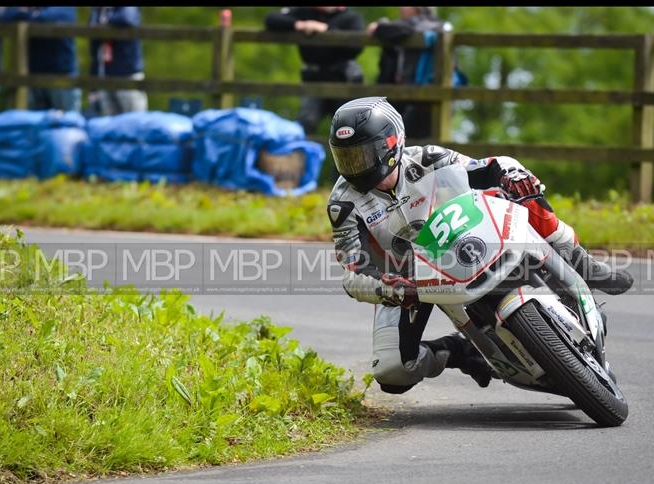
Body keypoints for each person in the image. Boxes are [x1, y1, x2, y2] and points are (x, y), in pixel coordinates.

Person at [326, 96, 633, 395]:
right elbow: (353, 271)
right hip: (409, 279)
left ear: (391, 144)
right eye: (347, 158)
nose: (355, 167)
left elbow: (488, 166)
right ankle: (462, 351)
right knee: (392, 371)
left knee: (522, 191)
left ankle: (580, 262)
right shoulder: (343, 204)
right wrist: (389, 288)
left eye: (363, 155)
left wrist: (512, 175)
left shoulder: (428, 159)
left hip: (464, 236)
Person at [264, 7, 365, 135]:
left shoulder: (350, 17)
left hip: (344, 79)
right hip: (314, 78)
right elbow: (271, 19)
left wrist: (326, 30)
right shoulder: (304, 13)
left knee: (350, 129)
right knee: (305, 125)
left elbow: (357, 46)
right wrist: (299, 24)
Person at [368, 7, 464, 139]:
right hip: (422, 98)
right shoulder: (439, 25)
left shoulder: (424, 24)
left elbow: (403, 29)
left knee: (404, 141)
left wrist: (378, 28)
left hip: (421, 98)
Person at [2, 7, 80, 112]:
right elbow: (7, 16)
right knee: (34, 125)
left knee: (67, 123)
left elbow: (44, 19)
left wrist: (27, 15)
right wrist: (33, 16)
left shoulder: (64, 9)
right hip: (34, 78)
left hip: (61, 77)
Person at [88, 7, 148, 116]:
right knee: (111, 126)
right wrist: (93, 88)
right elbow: (94, 47)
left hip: (127, 75)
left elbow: (126, 18)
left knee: (135, 122)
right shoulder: (98, 11)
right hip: (104, 77)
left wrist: (104, 24)